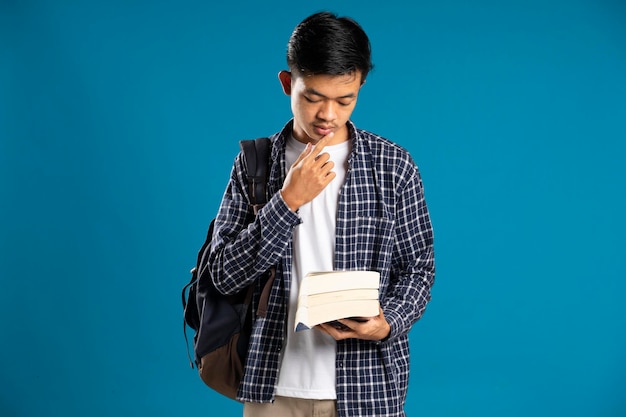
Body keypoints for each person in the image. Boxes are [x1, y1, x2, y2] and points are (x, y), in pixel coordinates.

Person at [207, 11, 435, 417]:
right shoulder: (254, 165)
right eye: (312, 97)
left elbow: (419, 268)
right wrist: (287, 201)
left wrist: (388, 322)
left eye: (344, 99)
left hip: (368, 385)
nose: (327, 114)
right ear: (287, 84)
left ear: (360, 86)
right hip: (272, 386)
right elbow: (223, 274)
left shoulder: (393, 166)